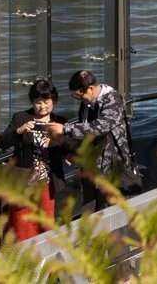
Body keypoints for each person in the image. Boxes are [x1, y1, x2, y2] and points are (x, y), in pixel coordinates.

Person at [0, 77, 67, 238]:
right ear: (32, 102)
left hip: (48, 180)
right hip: (24, 180)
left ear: (53, 100)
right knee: (22, 222)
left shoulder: (60, 122)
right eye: (38, 102)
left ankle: (46, 259)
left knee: (46, 222)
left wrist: (60, 138)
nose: (42, 106)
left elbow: (69, 148)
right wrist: (18, 131)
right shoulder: (20, 117)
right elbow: (1, 142)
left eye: (46, 101)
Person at [63, 68, 136, 210]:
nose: (79, 99)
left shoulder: (113, 99)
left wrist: (66, 129)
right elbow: (86, 132)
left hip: (112, 165)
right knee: (91, 209)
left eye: (79, 95)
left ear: (90, 89)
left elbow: (100, 127)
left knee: (115, 209)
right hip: (91, 165)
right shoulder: (86, 104)